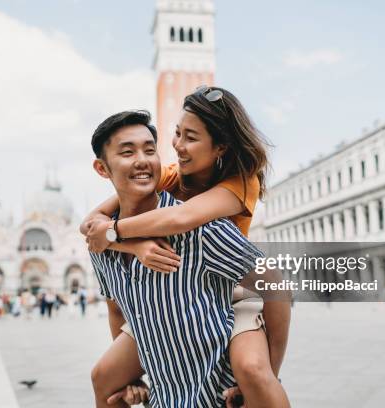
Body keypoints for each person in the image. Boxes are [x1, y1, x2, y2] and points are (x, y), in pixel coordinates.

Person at [83, 87, 290, 407]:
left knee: (253, 370)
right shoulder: (167, 174)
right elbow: (95, 224)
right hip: (165, 300)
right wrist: (129, 245)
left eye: (190, 137)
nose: (178, 145)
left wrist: (272, 370)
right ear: (102, 168)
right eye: (177, 134)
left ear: (220, 147)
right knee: (104, 378)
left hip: (235, 290)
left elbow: (182, 218)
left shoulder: (239, 184)